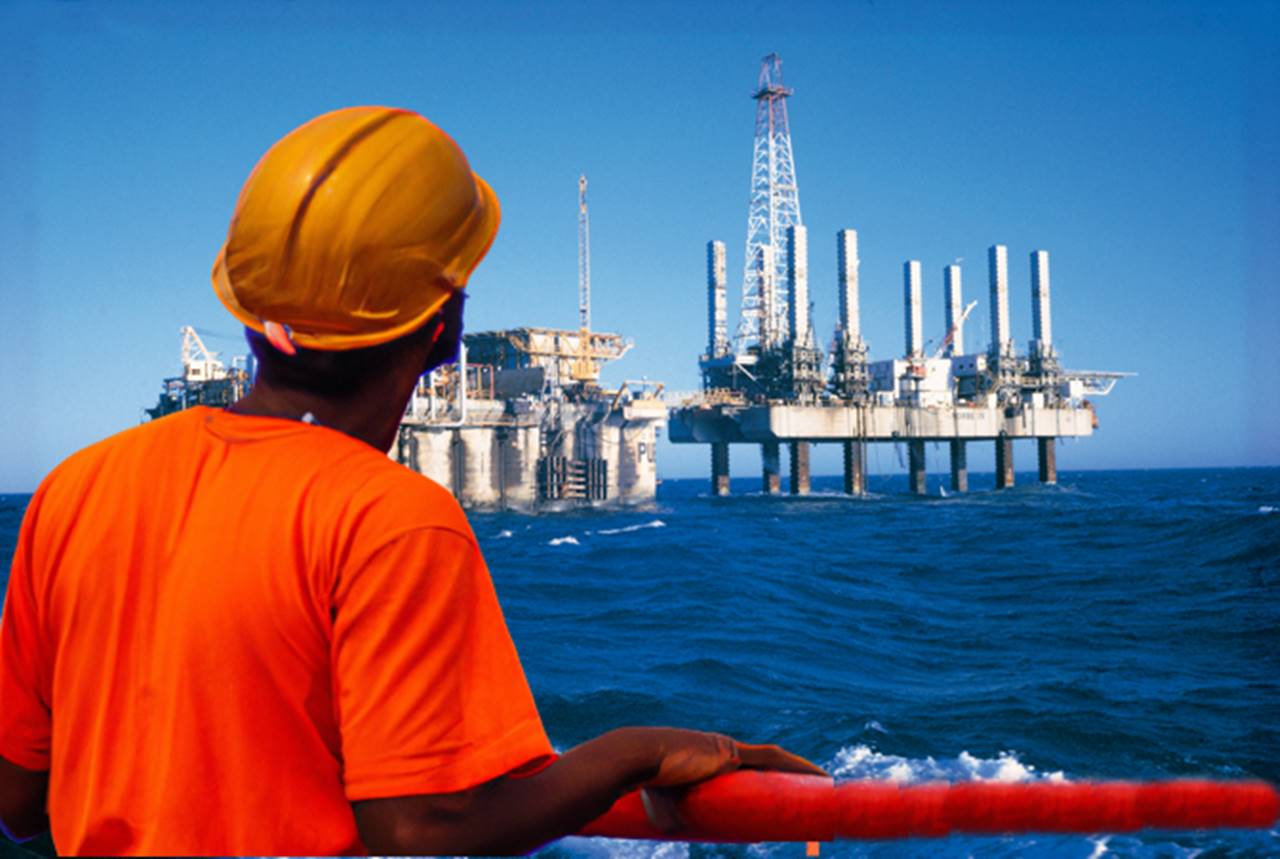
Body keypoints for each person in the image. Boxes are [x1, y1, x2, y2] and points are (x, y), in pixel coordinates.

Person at [0, 106, 822, 856]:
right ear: (446, 329)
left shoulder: (74, 489)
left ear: (251, 315)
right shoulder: (389, 517)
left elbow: (18, 800)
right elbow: (420, 823)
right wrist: (636, 751)